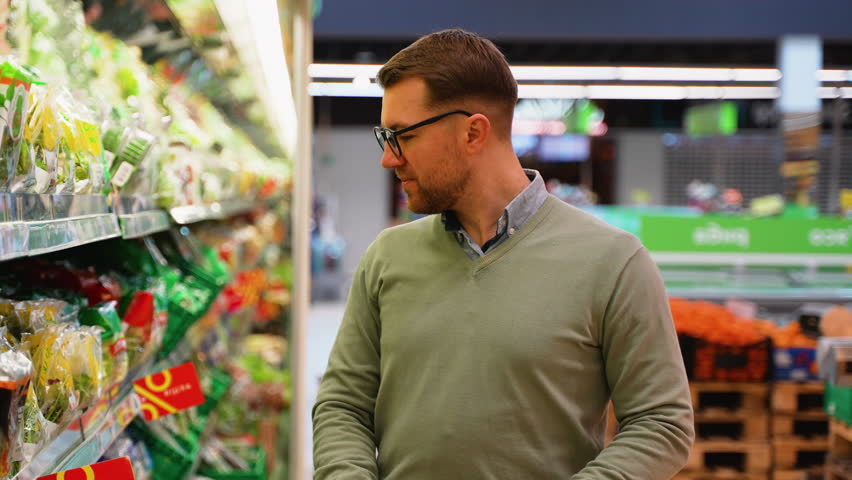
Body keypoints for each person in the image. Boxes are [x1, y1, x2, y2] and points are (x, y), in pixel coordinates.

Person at [312, 28, 694, 479]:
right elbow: (343, 405)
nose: (389, 159)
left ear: (473, 132)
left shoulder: (613, 262)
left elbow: (661, 422)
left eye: (402, 136)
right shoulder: (387, 257)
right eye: (385, 138)